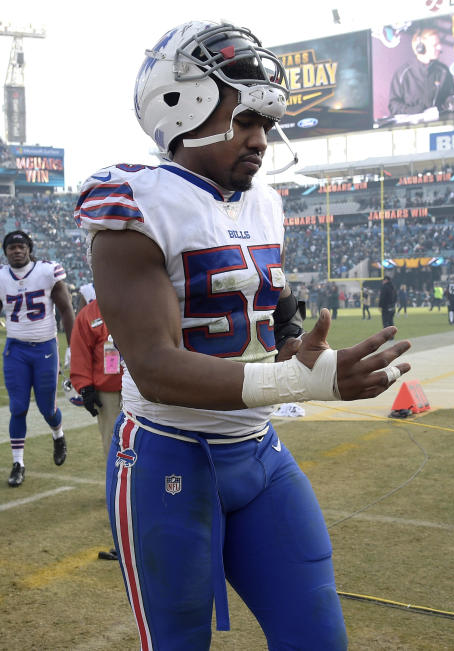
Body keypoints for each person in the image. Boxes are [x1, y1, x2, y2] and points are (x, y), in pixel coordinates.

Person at [77, 21, 411, 650]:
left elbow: (273, 314)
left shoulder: (264, 202)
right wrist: (303, 380)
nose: (261, 138)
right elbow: (153, 366)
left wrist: (306, 351)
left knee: (318, 638)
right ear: (183, 105)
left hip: (259, 454)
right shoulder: (133, 201)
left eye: (266, 122)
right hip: (166, 456)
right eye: (246, 119)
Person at [0, 230, 75, 487]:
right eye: (12, 247)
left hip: (44, 348)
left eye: (21, 246)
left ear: (29, 249)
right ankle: (18, 463)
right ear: (5, 251)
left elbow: (66, 309)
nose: (17, 251)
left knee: (47, 408)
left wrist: (72, 347)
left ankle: (58, 435)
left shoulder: (46, 271)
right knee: (18, 407)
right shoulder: (1, 277)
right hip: (16, 350)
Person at [69, 284, 123, 561]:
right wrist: (85, 387)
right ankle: (120, 504)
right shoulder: (89, 314)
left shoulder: (139, 303)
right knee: (115, 449)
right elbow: (80, 351)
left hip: (144, 388)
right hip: (109, 391)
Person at [387, 27, 454, 117]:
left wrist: (453, 102)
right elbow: (393, 105)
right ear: (420, 47)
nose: (440, 47)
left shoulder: (443, 71)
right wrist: (410, 110)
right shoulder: (403, 73)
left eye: (439, 44)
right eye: (435, 45)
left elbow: (450, 97)